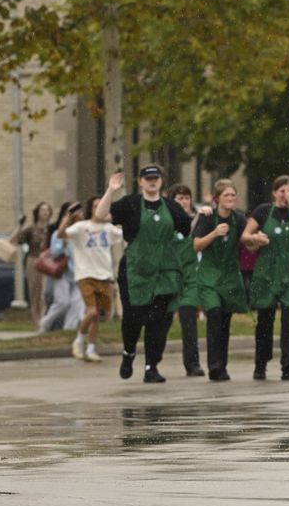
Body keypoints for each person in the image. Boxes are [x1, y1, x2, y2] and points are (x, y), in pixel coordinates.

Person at [95, 164, 192, 384]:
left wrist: (202, 215)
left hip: (164, 270)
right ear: (140, 181)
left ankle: (152, 366)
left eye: (156, 178)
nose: (152, 181)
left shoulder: (171, 207)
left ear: (161, 181)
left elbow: (187, 229)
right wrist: (111, 190)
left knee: (159, 320)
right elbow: (100, 215)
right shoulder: (130, 204)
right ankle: (129, 353)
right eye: (147, 178)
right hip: (135, 269)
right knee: (133, 317)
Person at [243, 175, 289, 381]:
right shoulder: (263, 211)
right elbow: (245, 236)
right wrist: (255, 238)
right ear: (274, 193)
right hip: (267, 271)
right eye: (282, 191)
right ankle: (260, 364)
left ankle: (288, 365)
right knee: (265, 320)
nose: (286, 195)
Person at [192, 180, 249, 382]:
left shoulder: (239, 219)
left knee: (225, 320)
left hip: (230, 276)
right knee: (214, 314)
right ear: (217, 199)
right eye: (226, 195)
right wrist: (215, 233)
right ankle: (214, 366)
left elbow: (247, 239)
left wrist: (257, 239)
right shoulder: (208, 218)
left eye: (233, 195)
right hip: (209, 274)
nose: (230, 199)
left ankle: (222, 365)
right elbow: (196, 245)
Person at [58, 196, 123, 361]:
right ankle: (79, 340)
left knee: (99, 315)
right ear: (90, 209)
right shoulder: (81, 227)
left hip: (104, 275)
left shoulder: (109, 228)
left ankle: (91, 348)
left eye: (102, 206)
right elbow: (61, 234)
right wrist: (67, 219)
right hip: (86, 274)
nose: (98, 209)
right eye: (95, 206)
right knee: (92, 311)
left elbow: (125, 234)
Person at [166, 183, 206, 378]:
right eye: (179, 198)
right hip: (168, 276)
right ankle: (152, 362)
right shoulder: (165, 221)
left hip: (189, 277)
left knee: (189, 319)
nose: (184, 201)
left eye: (186, 198)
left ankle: (192, 363)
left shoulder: (198, 221)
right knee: (161, 321)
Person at [40, 203, 85, 333]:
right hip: (63, 273)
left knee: (76, 304)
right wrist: (64, 244)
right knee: (63, 302)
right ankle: (45, 323)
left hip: (79, 273)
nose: (79, 215)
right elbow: (54, 253)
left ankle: (68, 330)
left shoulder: (82, 232)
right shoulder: (58, 234)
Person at [11, 201, 52, 326]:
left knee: (45, 292)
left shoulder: (52, 228)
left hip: (48, 261)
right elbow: (14, 240)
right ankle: (36, 320)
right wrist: (20, 225)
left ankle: (45, 318)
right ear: (37, 213)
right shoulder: (31, 229)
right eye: (42, 210)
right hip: (33, 260)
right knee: (35, 291)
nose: (45, 212)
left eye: (47, 210)